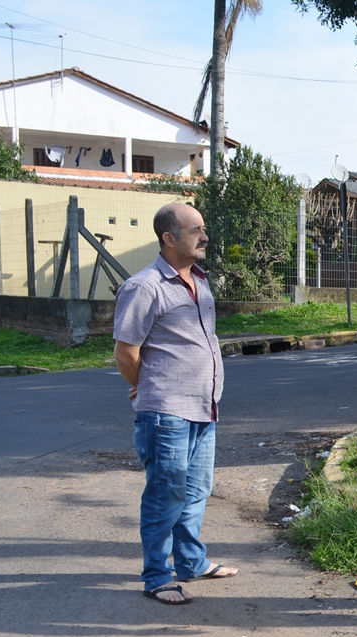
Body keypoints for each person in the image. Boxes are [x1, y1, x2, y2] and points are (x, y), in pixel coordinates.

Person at [114, 203, 237, 605]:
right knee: (166, 493)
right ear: (169, 238)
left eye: (203, 227)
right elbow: (126, 351)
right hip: (167, 412)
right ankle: (156, 575)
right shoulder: (144, 287)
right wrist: (144, 386)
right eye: (196, 230)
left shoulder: (199, 280)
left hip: (204, 405)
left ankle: (191, 561)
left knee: (197, 489)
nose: (205, 236)